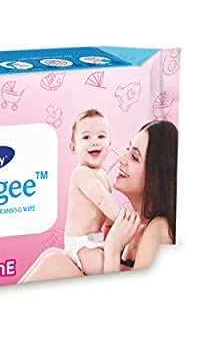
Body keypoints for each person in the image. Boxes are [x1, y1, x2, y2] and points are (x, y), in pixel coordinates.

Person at [19, 120, 178, 283]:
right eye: (127, 150)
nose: (121, 159)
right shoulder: (134, 229)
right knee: (53, 256)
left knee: (54, 262)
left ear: (157, 176)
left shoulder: (158, 229)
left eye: (135, 157)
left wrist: (112, 250)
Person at [64, 109, 121, 275]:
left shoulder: (104, 177)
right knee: (99, 265)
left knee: (111, 256)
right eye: (86, 137)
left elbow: (107, 218)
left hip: (97, 240)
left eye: (101, 136)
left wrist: (112, 235)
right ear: (73, 148)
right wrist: (125, 220)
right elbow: (102, 200)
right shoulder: (81, 174)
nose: (95, 142)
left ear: (109, 145)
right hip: (79, 243)